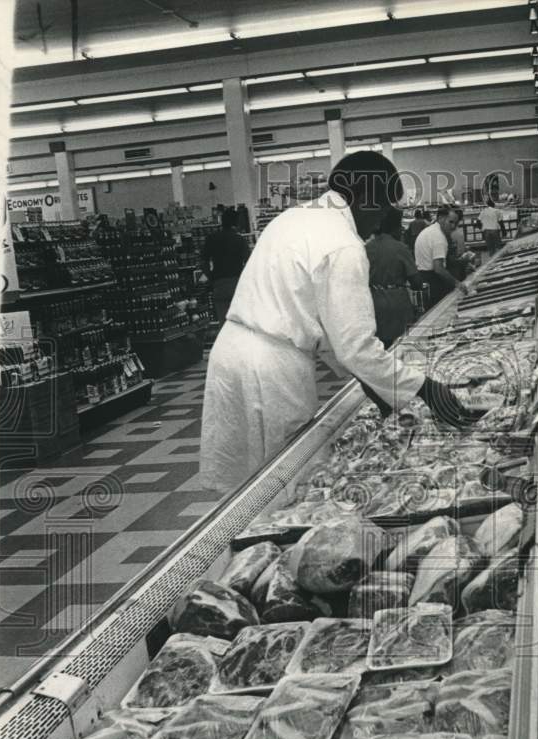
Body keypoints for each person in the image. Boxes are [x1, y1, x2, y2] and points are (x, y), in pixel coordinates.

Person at [200, 151, 477, 494]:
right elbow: (355, 347)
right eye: (381, 209)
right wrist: (427, 389)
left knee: (243, 489)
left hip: (230, 354)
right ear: (363, 198)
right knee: (285, 487)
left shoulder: (295, 217)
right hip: (272, 370)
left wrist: (383, 388)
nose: (378, 223)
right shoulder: (343, 244)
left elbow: (336, 339)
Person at [365, 206, 423, 348]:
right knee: (401, 347)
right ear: (395, 226)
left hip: (372, 303)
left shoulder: (366, 248)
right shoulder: (400, 248)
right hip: (397, 304)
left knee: (380, 347)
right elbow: (416, 283)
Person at [200, 207, 250, 325]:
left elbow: (203, 261)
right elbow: (249, 262)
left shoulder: (211, 238)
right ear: (236, 222)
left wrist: (210, 276)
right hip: (237, 284)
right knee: (241, 324)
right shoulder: (240, 240)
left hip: (219, 285)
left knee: (224, 325)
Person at [414, 205, 468, 306]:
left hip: (423, 278)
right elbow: (439, 268)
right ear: (440, 218)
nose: (453, 226)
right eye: (450, 222)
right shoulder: (439, 238)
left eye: (455, 223)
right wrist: (457, 283)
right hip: (433, 281)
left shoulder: (430, 231)